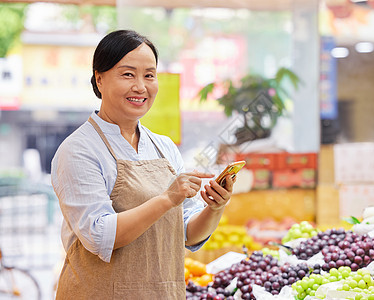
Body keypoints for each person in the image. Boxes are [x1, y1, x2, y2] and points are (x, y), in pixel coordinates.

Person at [51, 29, 236, 299]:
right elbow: (100, 236)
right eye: (128, 74)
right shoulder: (79, 150)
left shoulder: (164, 147)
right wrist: (168, 197)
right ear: (99, 79)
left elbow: (187, 233)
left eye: (149, 75)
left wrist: (215, 207)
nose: (140, 86)